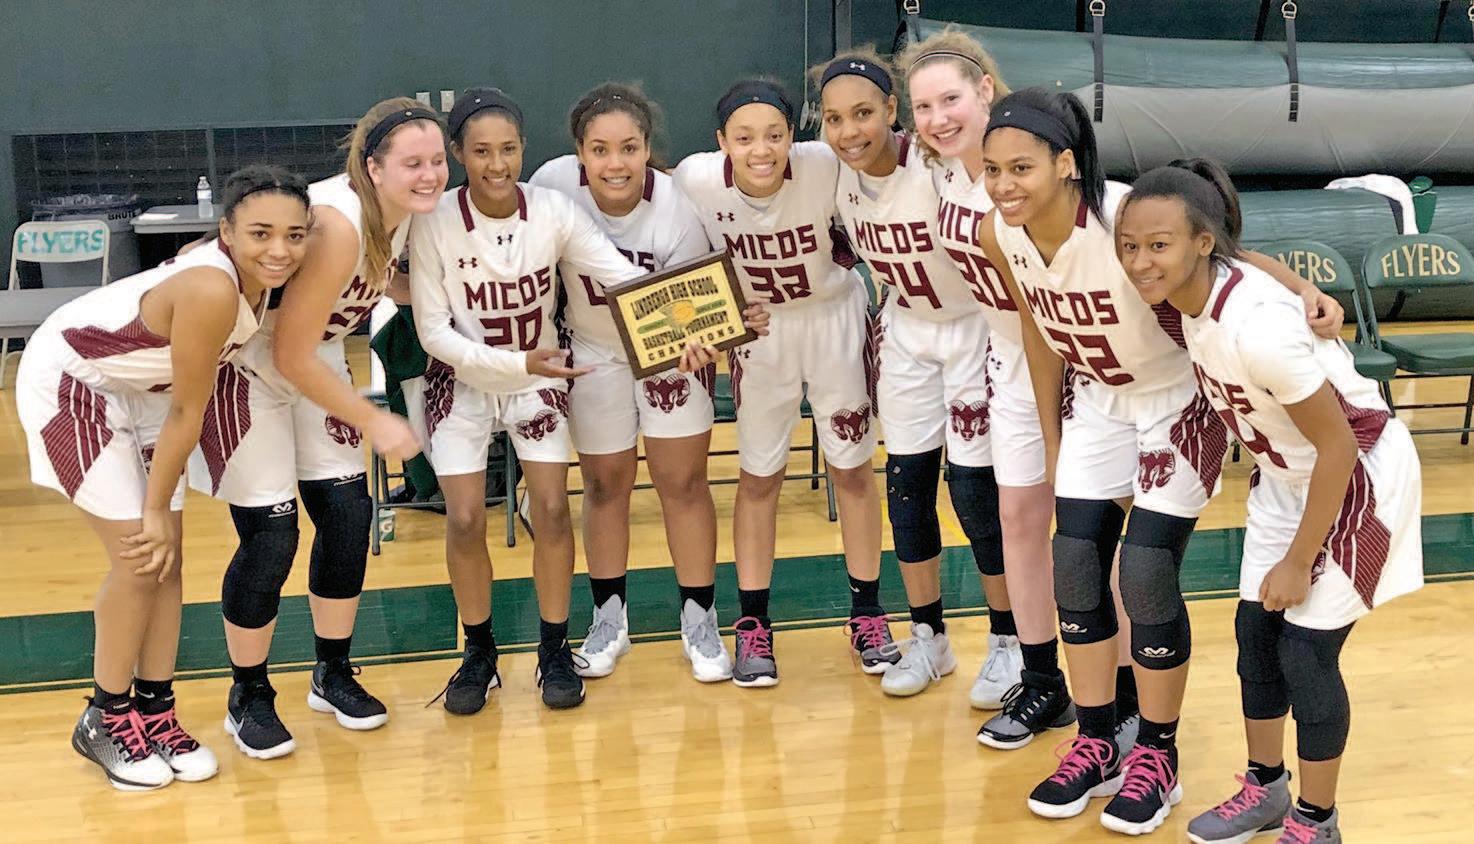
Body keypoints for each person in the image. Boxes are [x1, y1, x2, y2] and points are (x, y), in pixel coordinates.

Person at [974, 88, 1344, 834]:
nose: (1004, 184)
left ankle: (1158, 753)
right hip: (1098, 402)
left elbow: (1227, 252)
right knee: (1075, 561)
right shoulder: (997, 233)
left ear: (1066, 164)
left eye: (1020, 167)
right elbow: (1040, 332)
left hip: (1176, 400)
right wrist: (1052, 439)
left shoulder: (1120, 213)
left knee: (1143, 572)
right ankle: (1098, 740)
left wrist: (1307, 289)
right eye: (991, 169)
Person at [1115, 161, 1422, 844]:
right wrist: (1306, 285)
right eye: (1130, 245)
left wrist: (1298, 560)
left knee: (1306, 654)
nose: (1139, 262)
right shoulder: (1189, 287)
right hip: (1286, 478)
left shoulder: (1258, 331)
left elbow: (1338, 449)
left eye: (1158, 245)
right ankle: (1267, 789)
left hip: (1357, 476)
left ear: (1202, 243)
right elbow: (1245, 258)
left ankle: (1318, 821)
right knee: (1255, 634)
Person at [18, 165, 310, 789]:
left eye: (294, 234)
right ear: (226, 231)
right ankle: (104, 716)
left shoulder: (256, 278)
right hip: (75, 383)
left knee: (167, 560)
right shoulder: (211, 288)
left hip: (143, 393)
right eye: (260, 233)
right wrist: (153, 509)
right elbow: (188, 411)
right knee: (138, 559)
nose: (280, 249)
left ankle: (155, 710)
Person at [191, 98, 447, 759]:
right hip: (248, 364)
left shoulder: (404, 216)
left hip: (313, 355)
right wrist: (375, 420)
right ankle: (248, 693)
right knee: (272, 534)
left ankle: (331, 672)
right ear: (373, 168)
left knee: (347, 514)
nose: (429, 175)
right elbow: (286, 352)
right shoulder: (338, 223)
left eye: (437, 161)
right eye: (412, 163)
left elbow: (377, 291)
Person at [898, 27, 1083, 745]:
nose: (937, 118)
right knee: (1018, 524)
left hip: (1066, 357)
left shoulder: (1026, 174)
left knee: (1089, 535)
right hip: (1007, 356)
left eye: (950, 100)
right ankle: (1042, 679)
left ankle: (1124, 700)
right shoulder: (945, 169)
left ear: (984, 89)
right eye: (923, 106)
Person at [674, 78, 887, 687]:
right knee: (759, 477)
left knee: (852, 470)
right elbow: (683, 274)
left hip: (832, 319)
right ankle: (753, 623)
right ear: (722, 141)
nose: (761, 149)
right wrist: (708, 323)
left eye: (774, 135)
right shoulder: (694, 180)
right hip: (760, 332)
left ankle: (868, 613)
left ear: (793, 135)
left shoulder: (823, 165)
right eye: (744, 138)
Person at [813, 49, 1011, 700]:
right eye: (835, 119)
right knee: (907, 488)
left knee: (976, 493)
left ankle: (1009, 641)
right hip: (906, 332)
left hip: (974, 330)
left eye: (864, 114)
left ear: (892, 111)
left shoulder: (937, 164)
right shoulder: (831, 175)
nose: (850, 131)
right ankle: (929, 637)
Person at [528, 82, 733, 684]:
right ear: (579, 153)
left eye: (629, 148)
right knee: (603, 485)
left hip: (668, 356)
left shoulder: (676, 206)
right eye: (600, 149)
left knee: (683, 482)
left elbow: (697, 308)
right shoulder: (553, 185)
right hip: (593, 351)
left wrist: (704, 339)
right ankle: (609, 619)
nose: (615, 163)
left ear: (647, 148)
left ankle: (699, 620)